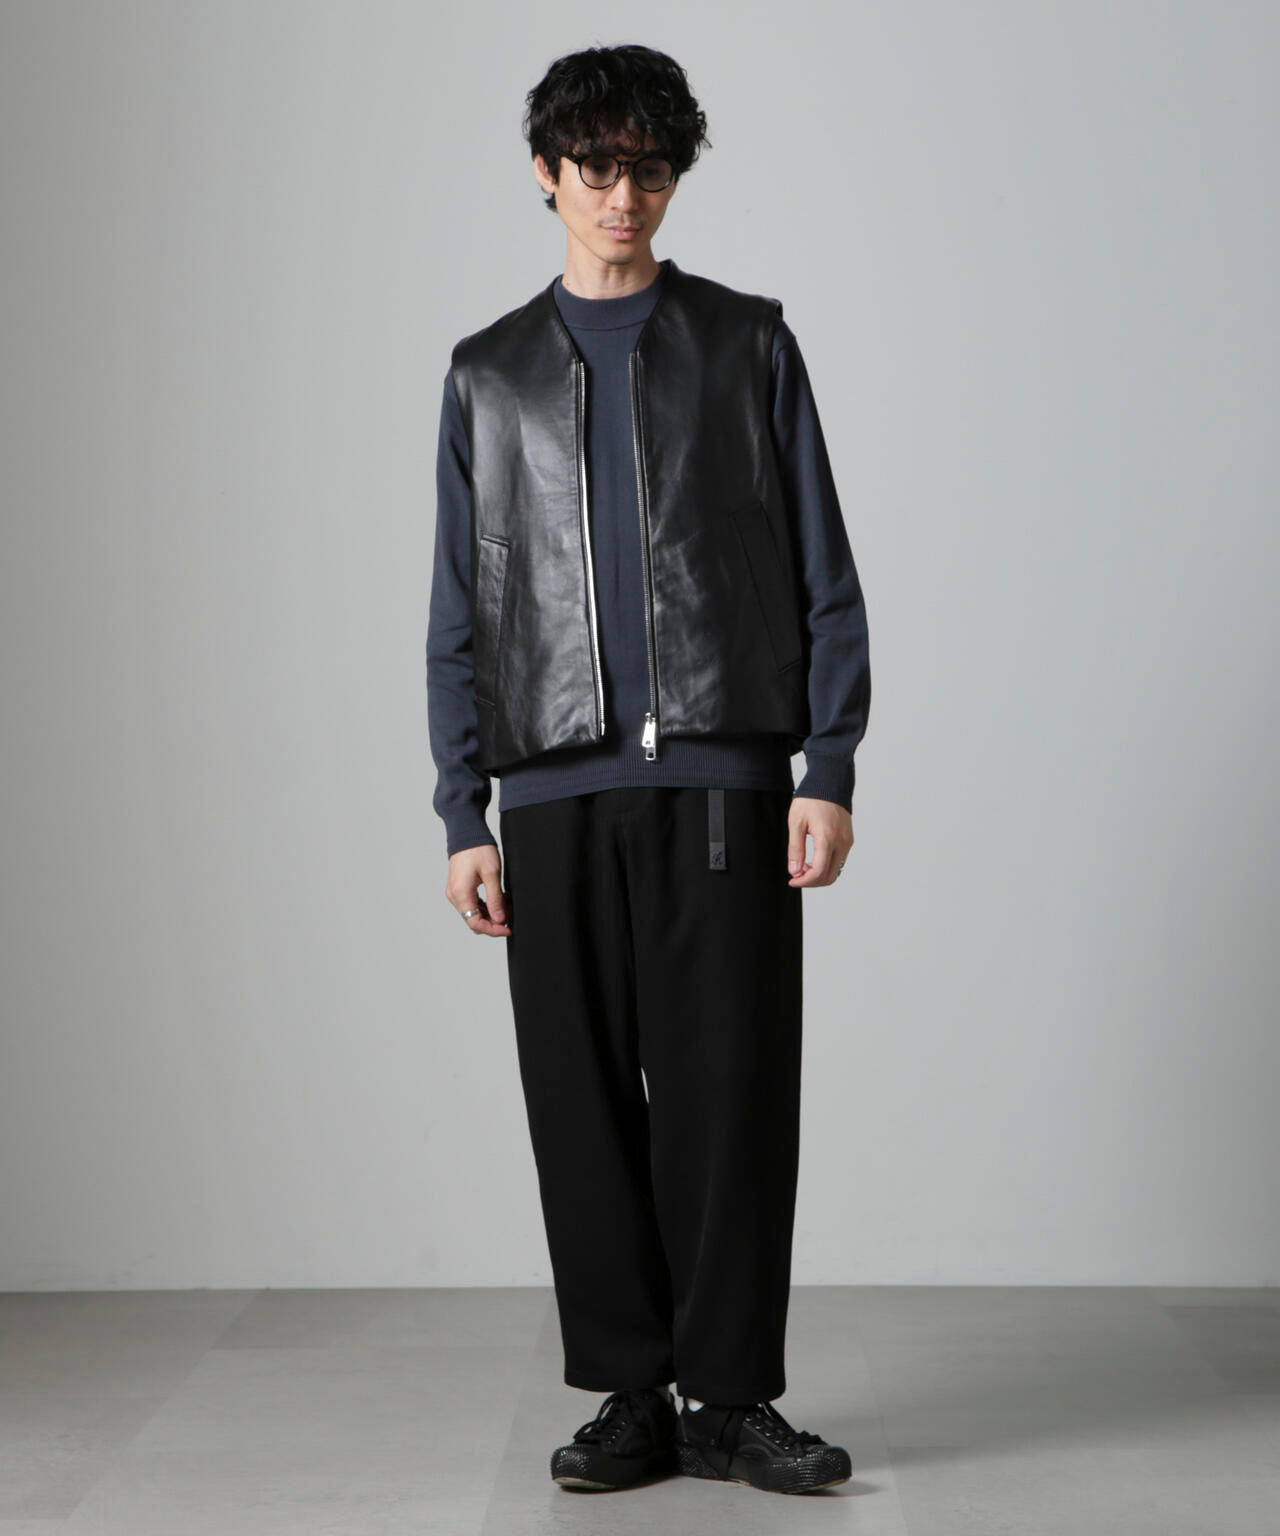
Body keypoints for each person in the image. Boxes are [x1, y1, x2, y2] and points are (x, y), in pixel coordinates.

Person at [426, 42, 870, 1496]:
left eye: (651, 168)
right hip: (552, 791)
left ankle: (732, 1401)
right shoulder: (487, 375)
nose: (626, 195)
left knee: (729, 1095)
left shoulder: (749, 346)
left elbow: (823, 571)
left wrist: (826, 765)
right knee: (581, 1102)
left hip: (729, 784)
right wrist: (463, 808)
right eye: (599, 166)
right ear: (547, 174)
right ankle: (630, 1392)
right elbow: (459, 612)